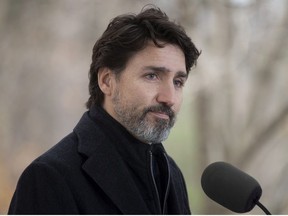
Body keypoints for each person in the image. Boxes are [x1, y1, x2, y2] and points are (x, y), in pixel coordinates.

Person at [8, 5, 200, 215]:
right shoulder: (49, 177)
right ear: (106, 81)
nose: (169, 97)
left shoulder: (171, 173)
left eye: (178, 82)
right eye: (152, 76)